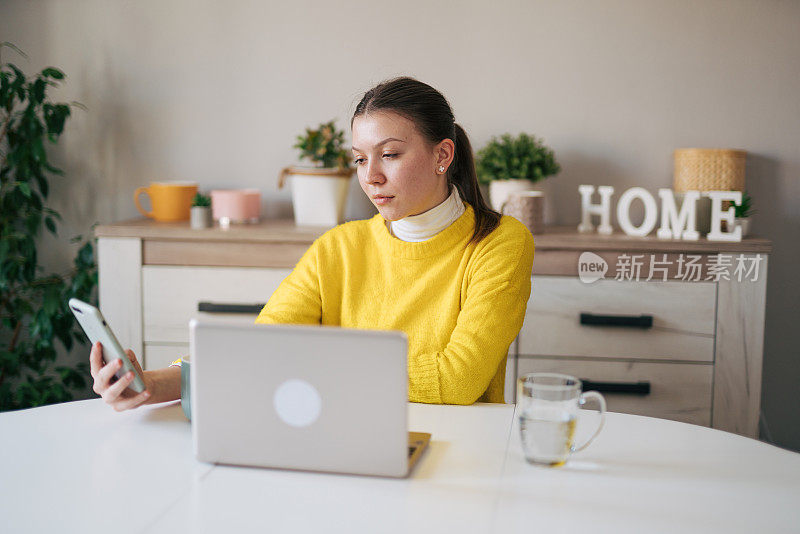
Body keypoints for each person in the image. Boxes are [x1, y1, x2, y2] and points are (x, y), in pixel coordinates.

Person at [89, 76, 534, 411]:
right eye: (360, 159)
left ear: (443, 155)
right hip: (338, 435)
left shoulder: (500, 243)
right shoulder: (337, 248)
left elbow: (458, 380)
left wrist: (309, 362)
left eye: (391, 155)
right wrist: (153, 384)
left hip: (458, 454)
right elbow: (265, 346)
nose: (371, 176)